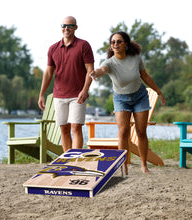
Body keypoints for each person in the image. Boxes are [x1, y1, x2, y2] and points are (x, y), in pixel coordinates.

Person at [89, 31, 166, 174]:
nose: (115, 44)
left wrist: (158, 92)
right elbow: (102, 70)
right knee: (123, 131)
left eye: (119, 41)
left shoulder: (136, 58)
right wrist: (95, 73)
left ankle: (144, 166)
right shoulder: (109, 63)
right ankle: (123, 167)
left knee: (141, 131)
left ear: (126, 44)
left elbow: (145, 76)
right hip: (121, 99)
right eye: (113, 42)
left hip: (140, 97)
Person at [38, 16, 94, 152]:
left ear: (76, 27)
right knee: (64, 128)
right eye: (64, 25)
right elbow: (48, 73)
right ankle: (68, 161)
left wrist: (85, 90)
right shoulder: (53, 48)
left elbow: (90, 70)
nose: (66, 28)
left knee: (76, 126)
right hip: (59, 95)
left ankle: (75, 160)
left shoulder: (83, 45)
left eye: (69, 25)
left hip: (77, 95)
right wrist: (41, 95)